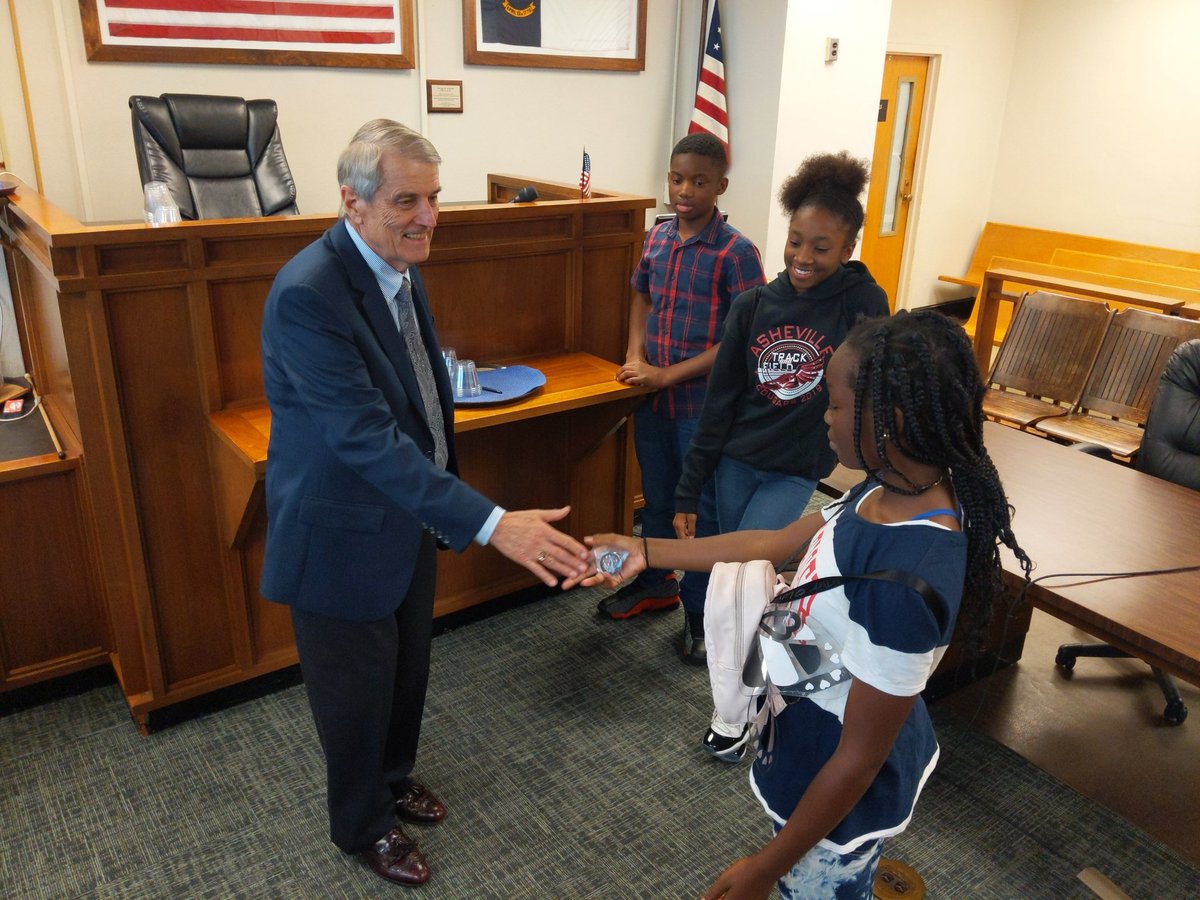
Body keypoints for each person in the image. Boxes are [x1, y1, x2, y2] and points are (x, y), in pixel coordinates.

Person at [586, 310, 1032, 900]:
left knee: (821, 882)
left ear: (889, 421)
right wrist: (647, 549)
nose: (823, 417)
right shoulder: (884, 485)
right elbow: (773, 544)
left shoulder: (908, 582)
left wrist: (765, 868)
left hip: (841, 766)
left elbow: (858, 760)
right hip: (813, 716)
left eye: (836, 406)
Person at [259, 119, 590, 888]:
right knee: (353, 695)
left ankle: (394, 776)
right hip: (339, 533)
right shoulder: (310, 293)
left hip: (405, 520)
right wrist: (490, 522)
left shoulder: (400, 265)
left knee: (406, 672)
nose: (428, 217)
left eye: (434, 198)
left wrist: (445, 501)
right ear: (353, 201)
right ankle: (361, 825)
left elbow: (420, 398)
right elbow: (367, 439)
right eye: (408, 200)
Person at [672, 152, 888, 759]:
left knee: (740, 582)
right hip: (734, 462)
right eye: (795, 241)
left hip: (794, 470)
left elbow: (878, 365)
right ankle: (793, 677)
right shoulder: (753, 307)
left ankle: (733, 713)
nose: (802, 257)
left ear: (847, 250)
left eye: (822, 247)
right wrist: (689, 489)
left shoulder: (855, 302)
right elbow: (716, 407)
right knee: (743, 585)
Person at [601, 132, 765, 666]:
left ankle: (699, 612)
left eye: (698, 181)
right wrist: (635, 355)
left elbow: (738, 342)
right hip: (653, 399)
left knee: (695, 515)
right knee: (656, 498)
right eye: (676, 178)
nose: (684, 190)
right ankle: (656, 585)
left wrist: (668, 375)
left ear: (721, 185)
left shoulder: (736, 252)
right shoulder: (659, 238)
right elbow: (641, 295)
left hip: (701, 408)